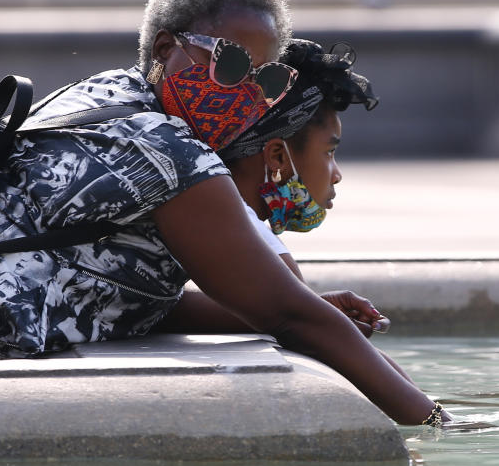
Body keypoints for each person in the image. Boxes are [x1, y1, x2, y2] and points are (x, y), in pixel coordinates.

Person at [0, 0, 447, 426]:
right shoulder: (168, 150)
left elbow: (116, 291)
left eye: (266, 80)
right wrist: (439, 423)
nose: (245, 94)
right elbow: (285, 313)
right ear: (167, 48)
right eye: (228, 64)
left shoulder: (102, 94)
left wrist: (290, 303)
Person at [155, 38, 430, 388]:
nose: (337, 174)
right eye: (329, 152)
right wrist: (441, 421)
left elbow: (167, 310)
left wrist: (314, 308)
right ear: (278, 159)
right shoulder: (243, 223)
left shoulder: (204, 201)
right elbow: (327, 341)